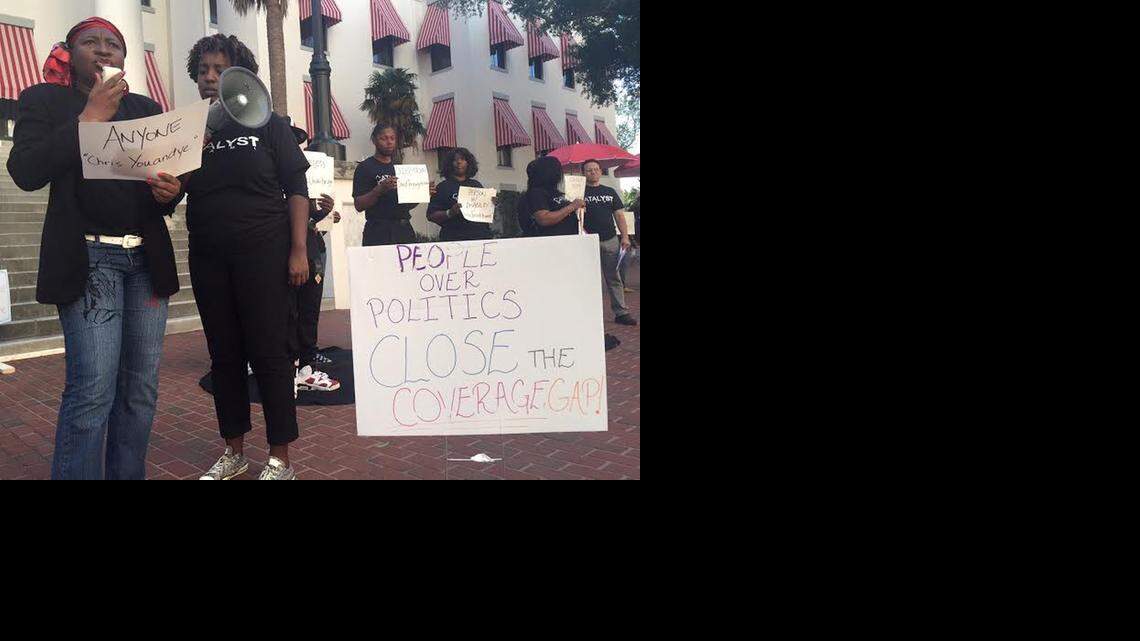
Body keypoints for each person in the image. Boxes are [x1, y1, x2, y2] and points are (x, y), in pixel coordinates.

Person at [6, 17, 183, 480]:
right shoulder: (43, 100)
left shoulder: (144, 108)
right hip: (89, 260)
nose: (104, 51)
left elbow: (164, 179)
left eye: (114, 45)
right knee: (93, 388)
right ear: (70, 51)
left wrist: (173, 190)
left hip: (145, 259)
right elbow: (25, 170)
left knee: (140, 389)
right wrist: (87, 119)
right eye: (91, 43)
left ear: (125, 58)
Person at [182, 34, 310, 480]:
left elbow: (297, 187)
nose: (210, 78)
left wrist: (298, 251)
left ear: (240, 76)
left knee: (271, 352)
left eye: (219, 69)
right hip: (209, 254)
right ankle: (233, 452)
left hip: (265, 252)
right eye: (203, 71)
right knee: (224, 355)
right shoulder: (188, 131)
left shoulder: (269, 124)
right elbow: (167, 190)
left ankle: (280, 460)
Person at [284, 118, 341, 392]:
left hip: (309, 249)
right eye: (288, 139)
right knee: (287, 312)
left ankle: (305, 367)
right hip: (278, 249)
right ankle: (288, 367)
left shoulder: (304, 172)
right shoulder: (269, 174)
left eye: (296, 141)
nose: (293, 145)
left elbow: (306, 217)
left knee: (307, 310)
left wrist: (323, 212)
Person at [582, 160, 637, 326]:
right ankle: (586, 314)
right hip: (586, 241)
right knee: (586, 278)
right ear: (584, 173)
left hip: (610, 240)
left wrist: (625, 237)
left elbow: (620, 216)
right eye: (589, 170)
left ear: (600, 171)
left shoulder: (610, 192)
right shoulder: (578, 192)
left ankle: (621, 313)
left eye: (596, 169)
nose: (593, 172)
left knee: (614, 278)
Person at [352, 124, 418, 246]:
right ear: (374, 140)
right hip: (379, 231)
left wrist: (421, 193)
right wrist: (379, 189)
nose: (389, 142)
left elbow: (407, 205)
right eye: (384, 138)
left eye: (392, 138)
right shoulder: (365, 167)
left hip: (404, 230)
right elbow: (359, 205)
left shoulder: (399, 168)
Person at [427, 147, 492, 241]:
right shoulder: (442, 187)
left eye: (462, 159)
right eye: (455, 160)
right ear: (450, 164)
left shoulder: (476, 185)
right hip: (454, 240)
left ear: (468, 162)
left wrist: (491, 204)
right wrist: (450, 212)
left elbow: (485, 214)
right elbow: (431, 215)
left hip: (480, 239)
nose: (459, 162)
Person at [517, 156, 584, 238]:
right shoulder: (536, 193)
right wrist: (572, 206)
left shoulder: (558, 193)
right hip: (549, 241)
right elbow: (544, 219)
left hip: (568, 239)